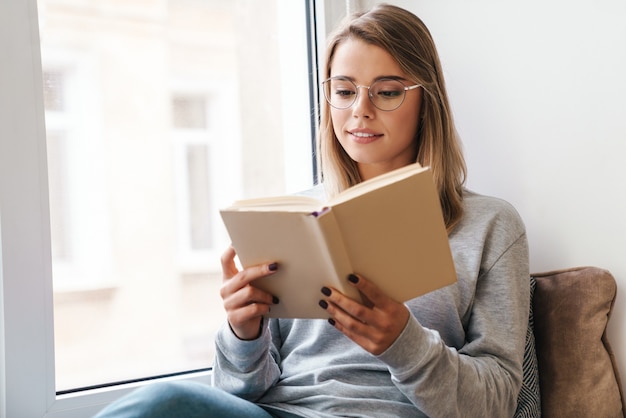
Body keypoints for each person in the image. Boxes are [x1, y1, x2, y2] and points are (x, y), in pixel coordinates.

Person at [94, 4, 538, 417]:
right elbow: (237, 392)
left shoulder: (489, 225)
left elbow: (496, 403)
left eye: (386, 93)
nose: (359, 111)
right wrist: (242, 333)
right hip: (281, 411)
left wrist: (405, 343)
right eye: (344, 90)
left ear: (426, 100)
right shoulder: (298, 218)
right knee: (163, 401)